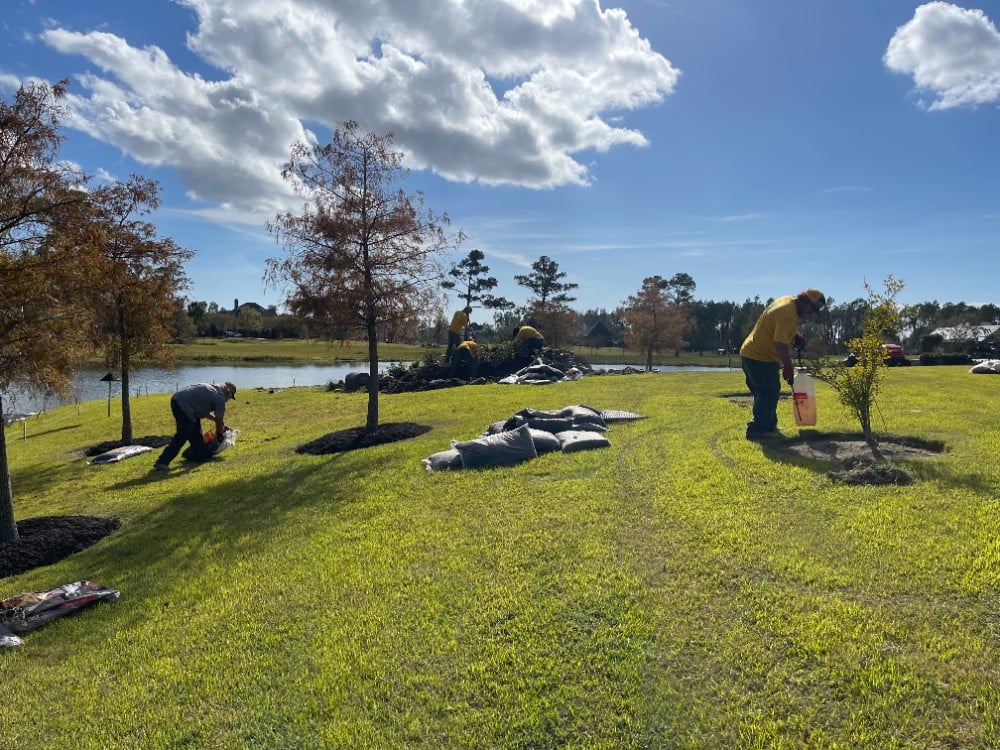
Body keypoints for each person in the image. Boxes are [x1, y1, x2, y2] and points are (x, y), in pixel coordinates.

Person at [739, 289, 825, 440]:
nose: (810, 314)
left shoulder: (787, 301)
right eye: (812, 309)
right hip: (760, 357)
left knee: (768, 393)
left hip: (750, 353)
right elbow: (779, 344)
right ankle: (758, 430)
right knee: (768, 393)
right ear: (805, 301)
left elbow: (776, 326)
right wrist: (788, 366)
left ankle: (769, 426)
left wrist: (794, 335)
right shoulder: (788, 315)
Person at [153, 382, 236, 471]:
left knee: (196, 437)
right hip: (184, 406)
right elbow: (219, 420)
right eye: (230, 397)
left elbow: (204, 411)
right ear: (228, 393)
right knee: (183, 434)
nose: (228, 400)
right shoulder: (220, 398)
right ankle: (162, 462)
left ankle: (193, 455)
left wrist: (215, 420)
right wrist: (220, 434)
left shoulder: (212, 389)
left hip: (179, 401)